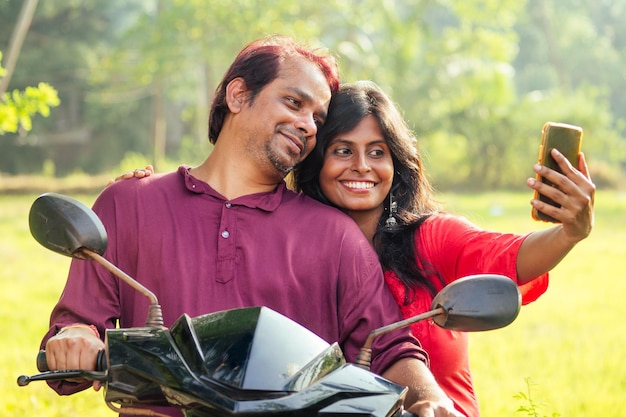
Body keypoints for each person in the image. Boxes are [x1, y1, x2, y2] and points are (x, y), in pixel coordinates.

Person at [41, 37, 463, 417]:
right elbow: (79, 325)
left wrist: (431, 398)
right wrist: (74, 337)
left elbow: (389, 346)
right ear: (239, 95)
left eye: (317, 117)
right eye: (294, 104)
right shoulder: (130, 203)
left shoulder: (333, 234)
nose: (308, 125)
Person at [288, 80, 595, 416]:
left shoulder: (431, 238)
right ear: (317, 163)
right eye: (343, 150)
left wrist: (570, 233)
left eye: (377, 152)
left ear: (397, 164)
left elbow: (511, 256)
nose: (362, 165)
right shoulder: (293, 250)